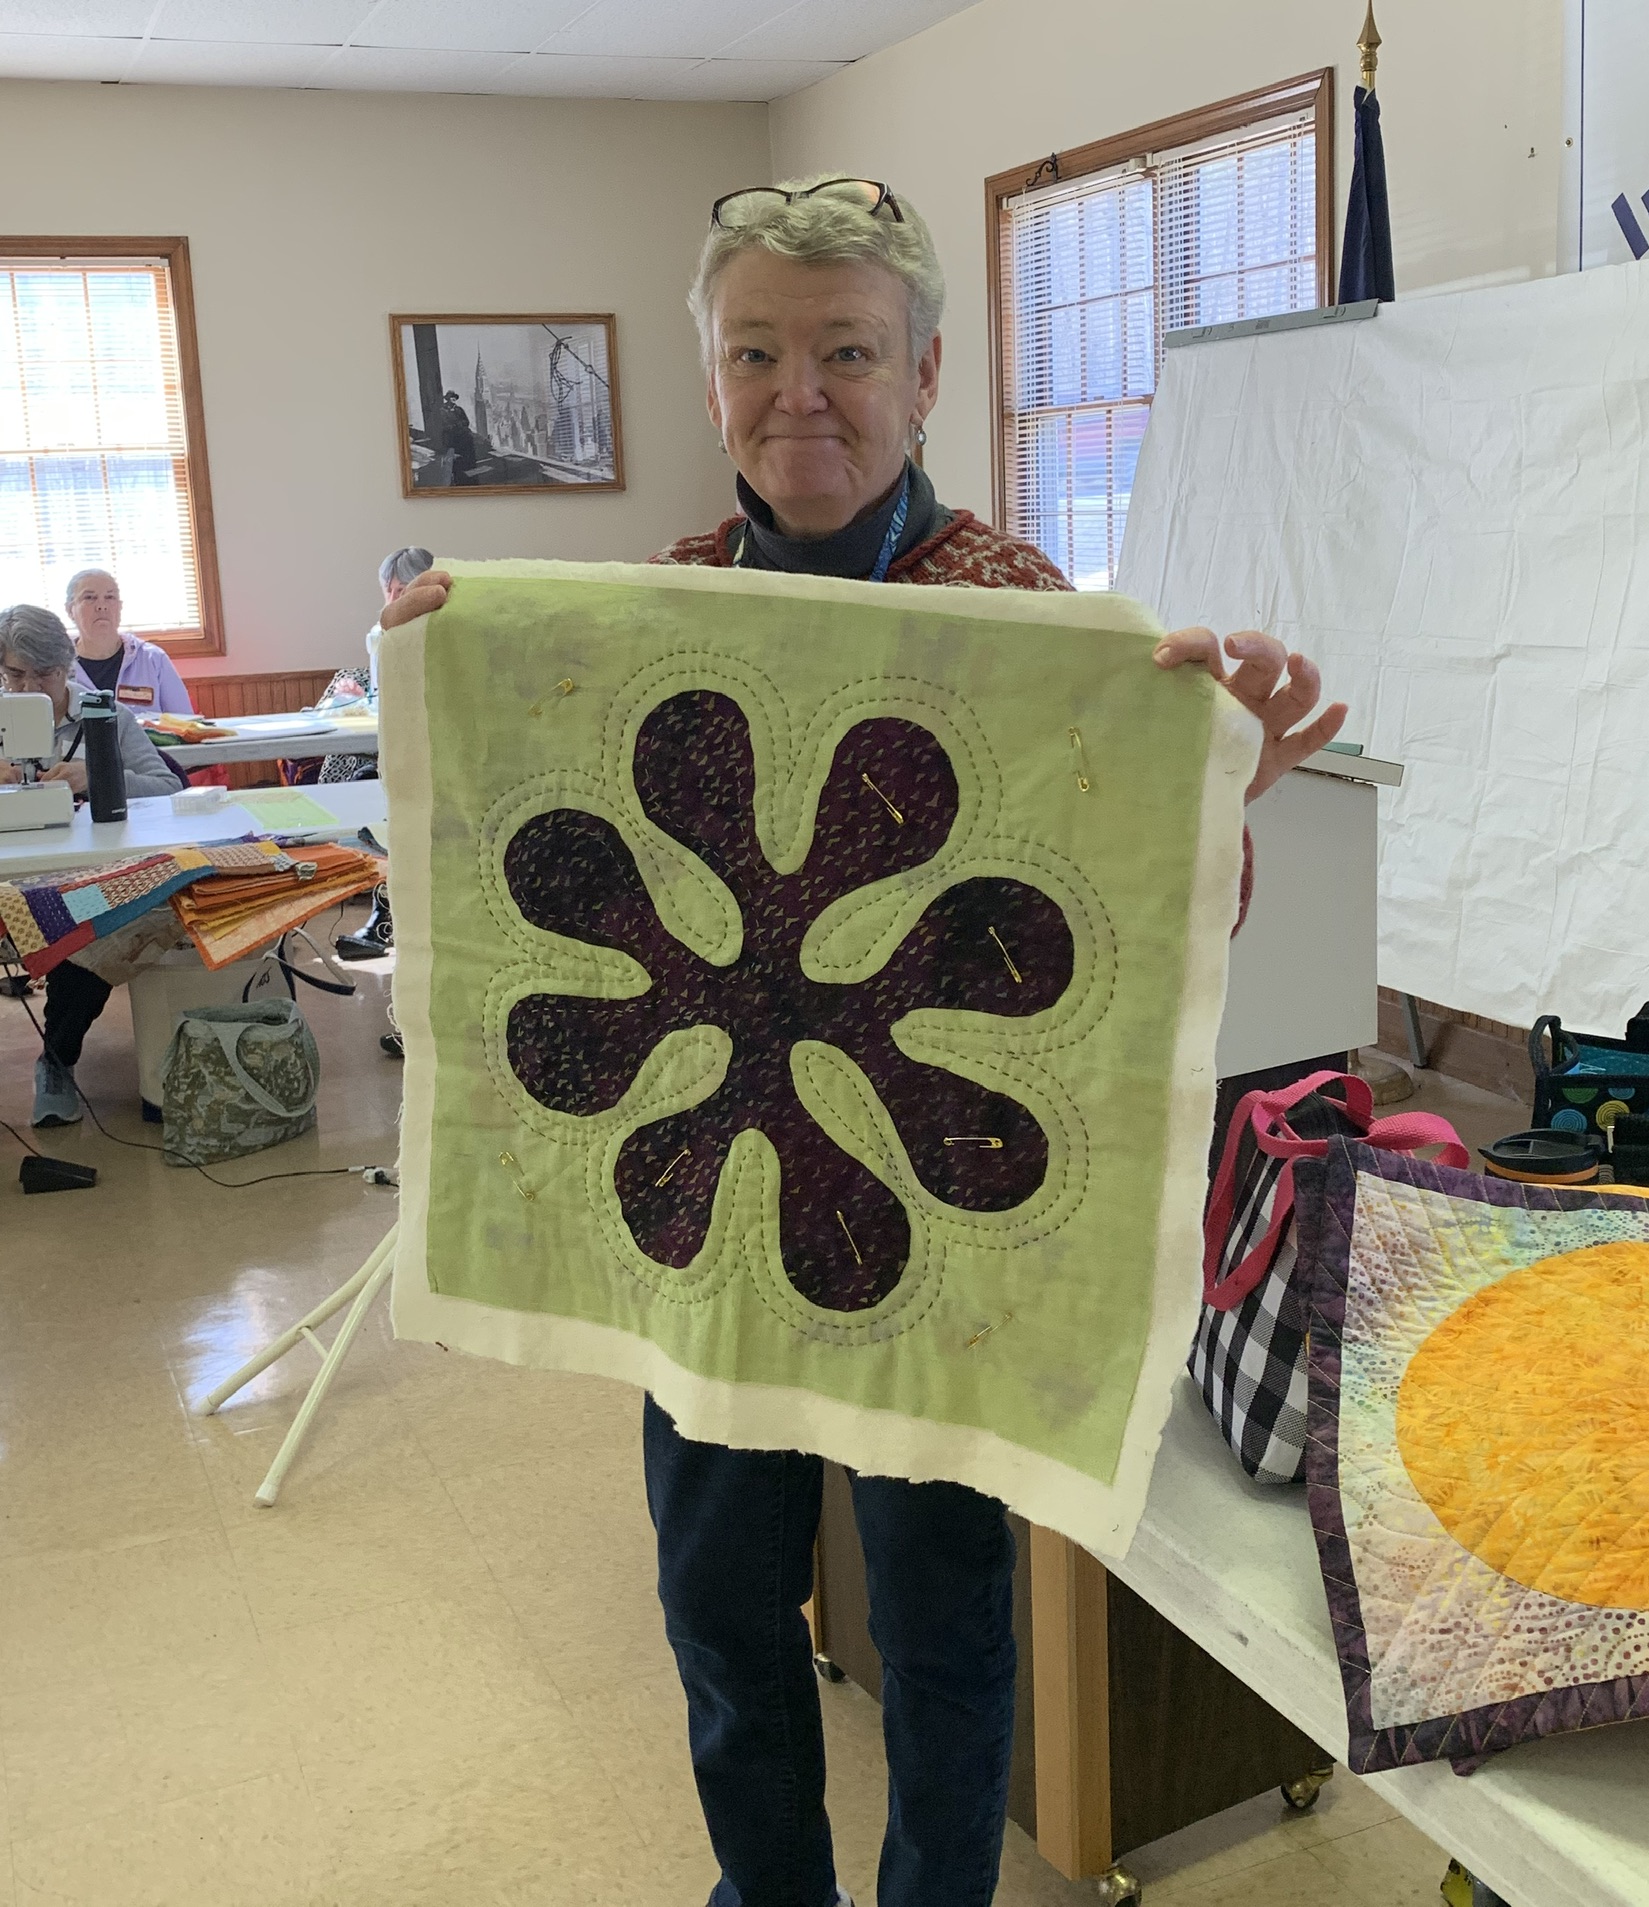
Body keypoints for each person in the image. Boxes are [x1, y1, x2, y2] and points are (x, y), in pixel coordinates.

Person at [382, 174, 1347, 1907]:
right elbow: (541, 871)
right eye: (755, 352)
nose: (798, 394)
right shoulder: (667, 610)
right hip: (712, 1209)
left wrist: (1218, 794)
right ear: (710, 384)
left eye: (844, 350)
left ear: (922, 376)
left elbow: (1116, 927)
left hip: (931, 1208)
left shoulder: (1019, 607)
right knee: (718, 1604)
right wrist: (436, 685)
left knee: (940, 1618)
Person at [0, 603, 178, 1127]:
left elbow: (167, 787)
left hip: (84, 878)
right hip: (11, 880)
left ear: (67, 666)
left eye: (45, 674)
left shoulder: (106, 715)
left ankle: (57, 1060)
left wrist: (99, 776)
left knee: (89, 928)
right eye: (15, 674)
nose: (29, 686)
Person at [65, 567, 195, 714]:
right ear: (70, 610)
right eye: (89, 598)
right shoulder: (59, 666)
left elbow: (184, 719)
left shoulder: (153, 659)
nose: (102, 606)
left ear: (120, 607)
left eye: (110, 597)